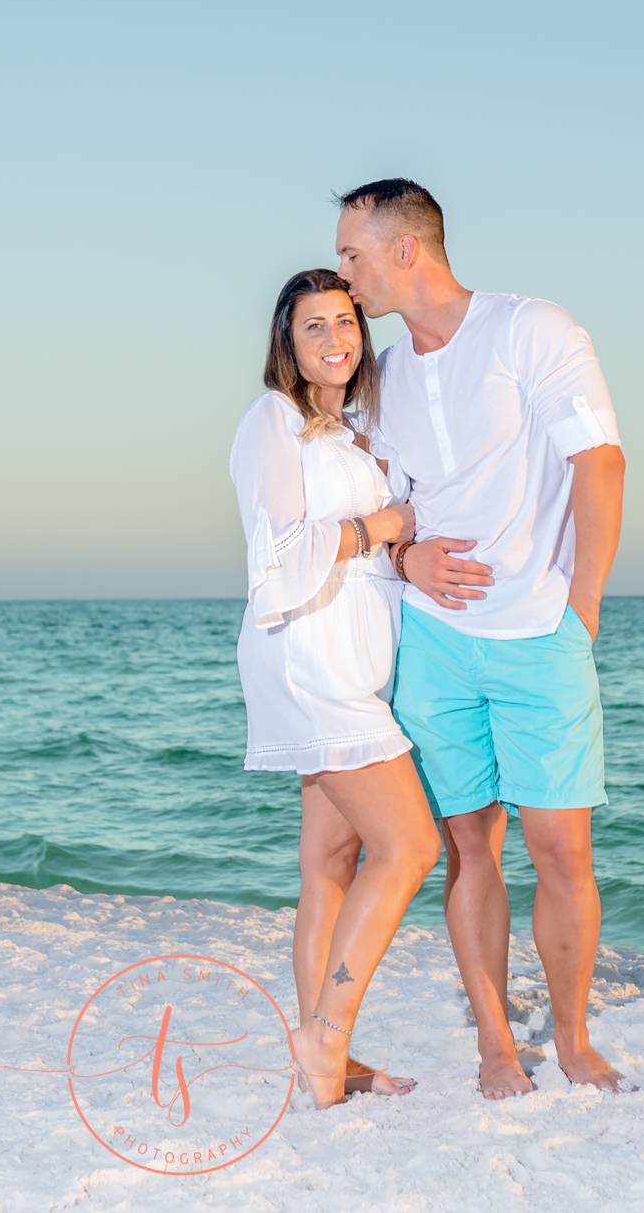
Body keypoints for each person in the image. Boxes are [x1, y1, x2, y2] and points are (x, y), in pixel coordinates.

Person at [336, 180, 627, 1099]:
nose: (344, 274)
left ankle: (573, 1039)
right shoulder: (379, 374)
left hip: (541, 630)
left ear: (405, 250)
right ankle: (496, 1045)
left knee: (562, 850)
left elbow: (600, 459)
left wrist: (581, 608)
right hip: (436, 643)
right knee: (469, 845)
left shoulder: (530, 330)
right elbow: (381, 512)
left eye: (352, 254)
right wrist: (408, 561)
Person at [230, 268, 443, 1110]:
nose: (334, 340)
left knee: (329, 859)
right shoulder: (274, 420)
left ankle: (330, 1054)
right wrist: (385, 527)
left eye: (346, 323)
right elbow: (278, 552)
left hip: (345, 653)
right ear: (286, 342)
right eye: (313, 327)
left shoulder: (347, 430)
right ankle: (326, 1037)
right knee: (411, 847)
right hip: (309, 656)